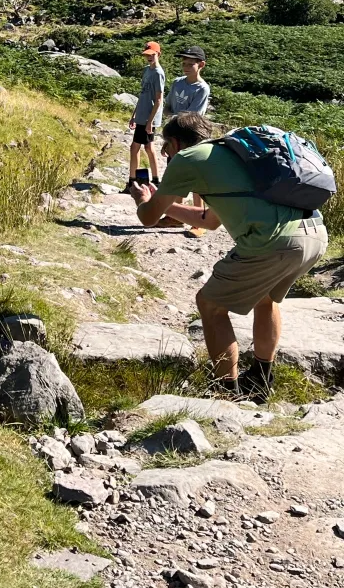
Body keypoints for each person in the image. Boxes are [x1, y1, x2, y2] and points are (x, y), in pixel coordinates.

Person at [130, 113, 328, 402]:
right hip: (313, 234)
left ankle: (226, 392)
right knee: (266, 300)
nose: (164, 153)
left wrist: (145, 202)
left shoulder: (188, 158)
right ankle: (260, 382)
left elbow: (148, 218)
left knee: (209, 305)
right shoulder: (235, 152)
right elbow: (209, 220)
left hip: (273, 241)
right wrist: (168, 207)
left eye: (165, 146)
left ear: (174, 142)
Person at [163, 45, 211, 236]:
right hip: (173, 137)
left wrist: (174, 118)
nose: (186, 66)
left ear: (201, 65)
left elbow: (193, 117)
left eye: (191, 64)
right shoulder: (177, 83)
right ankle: (176, 216)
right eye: (184, 63)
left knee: (196, 181)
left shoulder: (202, 88)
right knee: (175, 177)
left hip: (192, 139)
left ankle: (199, 221)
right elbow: (168, 107)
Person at [123, 41, 165, 193]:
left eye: (152, 55)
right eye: (147, 55)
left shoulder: (159, 73)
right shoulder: (147, 70)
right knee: (145, 147)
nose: (149, 57)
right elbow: (142, 95)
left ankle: (136, 182)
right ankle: (149, 180)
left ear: (158, 54)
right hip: (141, 115)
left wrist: (150, 122)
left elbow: (159, 99)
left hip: (149, 116)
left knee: (139, 147)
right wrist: (134, 115)